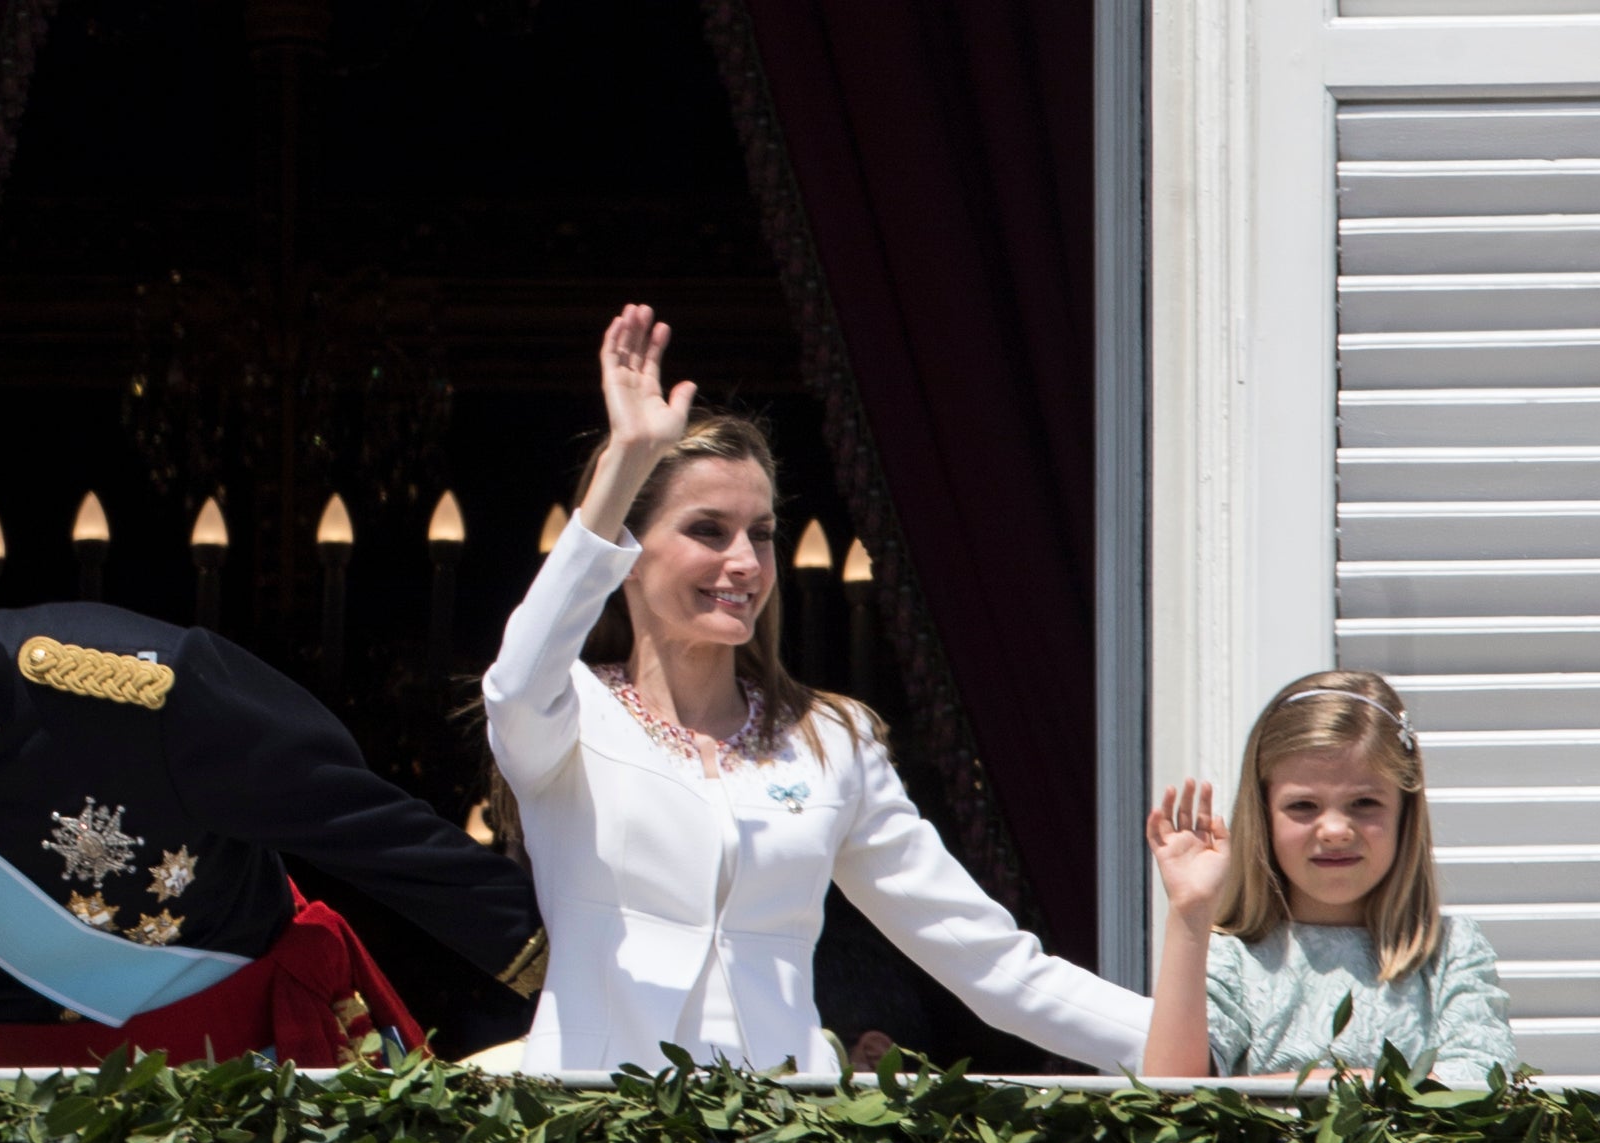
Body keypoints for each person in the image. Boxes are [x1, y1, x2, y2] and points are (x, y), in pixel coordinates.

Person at [482, 305, 1150, 1075]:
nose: (745, 562)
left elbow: (991, 961)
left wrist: (1199, 1048)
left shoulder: (831, 741)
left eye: (760, 533)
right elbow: (515, 680)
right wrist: (626, 461)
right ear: (629, 553)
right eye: (708, 530)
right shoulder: (569, 715)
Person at [0, 543, 545, 1068]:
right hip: (8, 1133)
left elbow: (371, 834)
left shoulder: (138, 693)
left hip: (253, 1082)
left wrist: (583, 975)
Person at [1141, 670, 1518, 1082]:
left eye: (1364, 802)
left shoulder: (1447, 952)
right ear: (1263, 815)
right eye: (1303, 806)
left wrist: (1273, 1090)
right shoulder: (1234, 957)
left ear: (1405, 813)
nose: (1336, 830)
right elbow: (1171, 1101)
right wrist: (1190, 913)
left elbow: (1481, 1084)